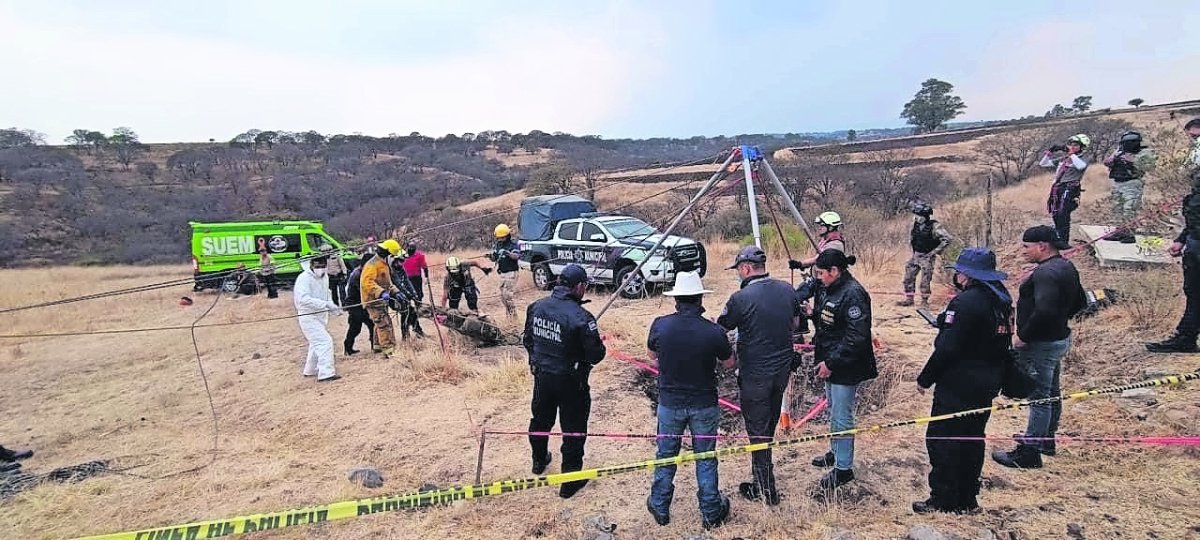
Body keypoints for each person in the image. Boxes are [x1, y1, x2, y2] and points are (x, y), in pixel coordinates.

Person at [914, 248, 1011, 514]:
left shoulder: (966, 303)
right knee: (972, 440)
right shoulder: (1000, 299)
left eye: (958, 271)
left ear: (966, 275)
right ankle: (967, 498)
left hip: (959, 385)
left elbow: (948, 349)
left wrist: (925, 379)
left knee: (943, 441)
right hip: (987, 383)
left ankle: (944, 499)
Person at [645, 271, 733, 530]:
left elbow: (652, 354)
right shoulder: (713, 331)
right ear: (699, 300)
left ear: (677, 300)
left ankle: (660, 506)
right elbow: (729, 363)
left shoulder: (660, 325)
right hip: (704, 403)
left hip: (670, 403)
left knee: (666, 454)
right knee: (705, 457)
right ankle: (711, 512)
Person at [993, 226, 1086, 469]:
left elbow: (1044, 311)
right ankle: (1045, 439)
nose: (1023, 251)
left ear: (1042, 246)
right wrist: (1059, 323)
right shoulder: (1066, 266)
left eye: (1026, 246)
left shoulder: (1046, 273)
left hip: (1041, 344)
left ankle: (1029, 452)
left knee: (1040, 397)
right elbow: (1081, 302)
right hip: (1058, 338)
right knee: (1052, 391)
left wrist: (1024, 336)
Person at [717, 246, 803, 505]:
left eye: (738, 271)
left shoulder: (740, 298)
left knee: (757, 432)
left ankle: (767, 490)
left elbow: (723, 327)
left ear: (745, 268)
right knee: (768, 427)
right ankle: (761, 480)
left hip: (755, 375)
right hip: (781, 373)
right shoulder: (788, 290)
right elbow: (797, 324)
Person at [523, 264, 606, 499]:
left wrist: (536, 360)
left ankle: (538, 461)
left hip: (543, 377)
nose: (585, 290)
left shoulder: (536, 307)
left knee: (540, 420)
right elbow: (595, 355)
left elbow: (527, 340)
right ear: (579, 286)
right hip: (571, 382)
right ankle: (569, 482)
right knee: (574, 430)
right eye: (585, 286)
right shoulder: (582, 317)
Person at [809, 249, 876, 490]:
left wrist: (831, 363)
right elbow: (829, 321)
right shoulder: (831, 289)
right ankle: (836, 452)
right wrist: (812, 314)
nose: (819, 277)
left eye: (821, 273)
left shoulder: (853, 294)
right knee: (833, 409)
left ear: (834, 271)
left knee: (842, 416)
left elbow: (856, 338)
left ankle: (843, 468)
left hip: (846, 365)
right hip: (831, 360)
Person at [1147, 118, 1200, 352]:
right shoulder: (1196, 188)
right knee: (1194, 291)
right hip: (1194, 241)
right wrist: (1181, 239)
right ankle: (1186, 338)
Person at [294, 255, 343, 382]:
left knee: (315, 342)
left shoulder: (325, 276)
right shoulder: (304, 278)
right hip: (308, 316)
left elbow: (326, 293)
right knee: (324, 341)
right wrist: (323, 304)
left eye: (323, 266)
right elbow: (302, 299)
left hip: (321, 315)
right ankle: (326, 373)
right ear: (311, 266)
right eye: (317, 267)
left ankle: (310, 370)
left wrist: (332, 305)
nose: (320, 269)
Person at [1102, 131, 1156, 243]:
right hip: (1118, 182)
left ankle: (1129, 234)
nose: (1127, 145)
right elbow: (1109, 161)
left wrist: (1133, 161)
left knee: (1129, 208)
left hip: (1132, 182)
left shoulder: (1144, 152)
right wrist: (1109, 162)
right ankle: (1119, 232)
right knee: (1117, 208)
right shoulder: (1119, 151)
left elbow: (1150, 167)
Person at [898, 203, 953, 307]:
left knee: (925, 280)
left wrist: (934, 252)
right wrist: (912, 250)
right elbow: (912, 237)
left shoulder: (935, 226)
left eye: (919, 216)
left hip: (927, 256)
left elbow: (947, 239)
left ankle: (924, 301)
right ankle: (909, 299)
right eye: (916, 215)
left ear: (925, 216)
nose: (916, 217)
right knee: (908, 277)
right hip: (916, 255)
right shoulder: (915, 224)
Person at [1042, 134, 1091, 243]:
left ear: (1082, 147)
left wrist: (1071, 154)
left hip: (1070, 189)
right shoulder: (1065, 159)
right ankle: (1058, 237)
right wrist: (1050, 152)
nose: (1072, 146)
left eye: (1075, 145)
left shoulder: (1083, 158)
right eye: (1070, 144)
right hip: (1058, 188)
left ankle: (1064, 241)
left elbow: (1081, 166)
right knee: (1055, 213)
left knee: (1063, 213)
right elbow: (1043, 164)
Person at [361, 239, 403, 357]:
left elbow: (388, 283)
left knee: (379, 323)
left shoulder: (383, 264)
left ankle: (377, 346)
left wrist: (396, 292)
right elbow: (367, 283)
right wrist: (381, 292)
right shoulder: (372, 265)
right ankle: (388, 350)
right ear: (387, 253)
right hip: (372, 300)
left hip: (381, 300)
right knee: (384, 323)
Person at [490, 224, 523, 318]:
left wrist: (508, 253)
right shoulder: (498, 245)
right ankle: (509, 314)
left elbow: (517, 256)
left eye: (502, 237)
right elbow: (495, 258)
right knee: (502, 296)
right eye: (499, 237)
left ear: (507, 236)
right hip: (502, 273)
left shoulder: (512, 245)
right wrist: (491, 256)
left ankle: (514, 316)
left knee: (507, 296)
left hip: (511, 272)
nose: (500, 239)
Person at [390, 253, 424, 340]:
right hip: (395, 297)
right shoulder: (392, 271)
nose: (402, 263)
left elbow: (407, 282)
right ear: (396, 261)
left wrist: (414, 293)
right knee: (406, 313)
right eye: (401, 261)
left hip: (404, 295)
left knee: (412, 312)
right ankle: (405, 336)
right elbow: (398, 285)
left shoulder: (402, 269)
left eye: (403, 261)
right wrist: (409, 294)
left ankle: (418, 331)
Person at [343, 262, 375, 355]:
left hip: (362, 303)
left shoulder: (363, 273)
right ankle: (348, 348)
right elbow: (363, 290)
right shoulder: (356, 275)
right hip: (355, 304)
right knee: (355, 327)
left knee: (372, 324)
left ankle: (375, 345)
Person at [403, 240, 430, 305]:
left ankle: (419, 308)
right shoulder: (403, 256)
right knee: (406, 295)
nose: (410, 250)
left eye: (412, 248)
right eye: (409, 248)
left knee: (418, 295)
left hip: (416, 278)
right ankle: (408, 310)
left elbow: (424, 266)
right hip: (406, 278)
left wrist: (426, 277)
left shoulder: (419, 256)